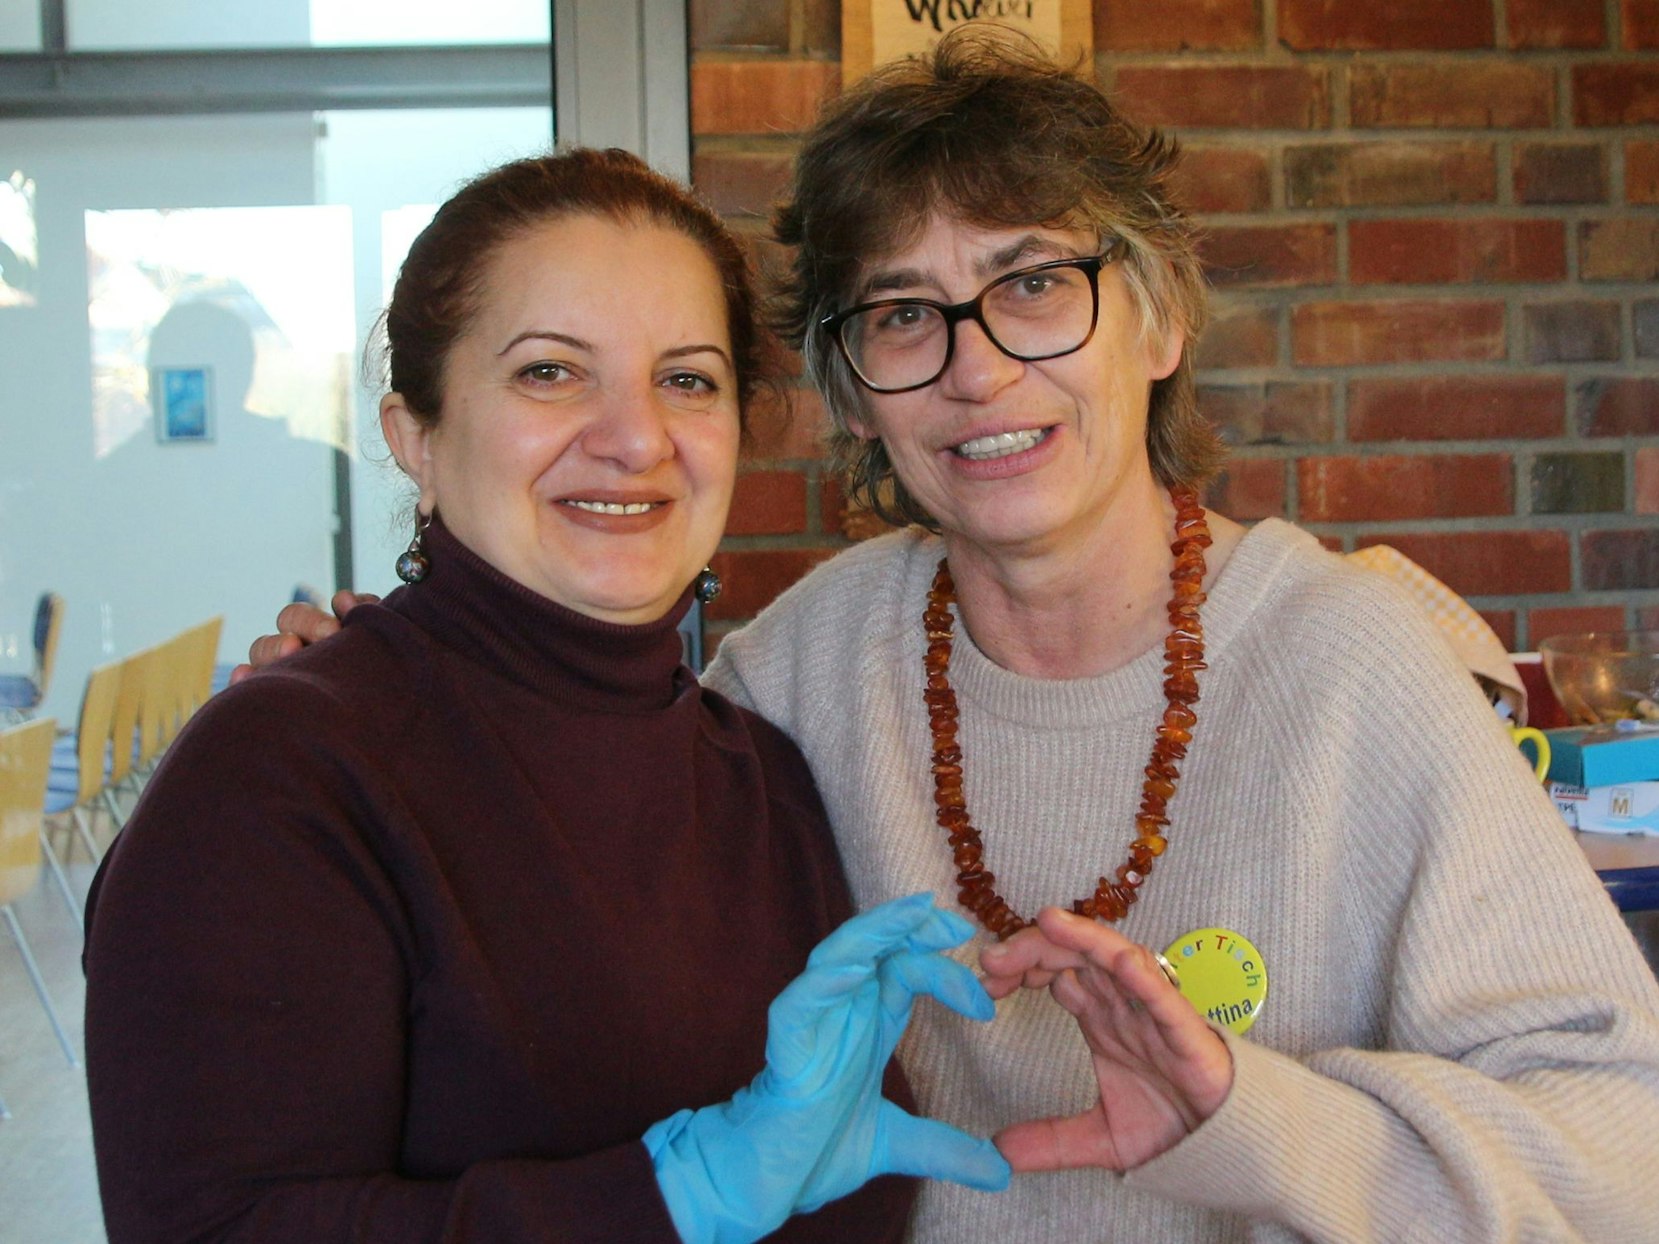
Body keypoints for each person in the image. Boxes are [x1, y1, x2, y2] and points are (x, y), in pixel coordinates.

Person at [245, 30, 1659, 1244]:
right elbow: (565, 836)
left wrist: (1251, 1116)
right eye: (903, 315)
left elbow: (1623, 1150)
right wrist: (384, 692)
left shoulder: (1358, 664)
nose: (976, 367)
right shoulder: (797, 670)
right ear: (851, 395)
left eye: (1034, 284)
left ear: (1157, 317)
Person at [81, 147, 1012, 1244]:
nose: (633, 438)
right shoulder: (280, 776)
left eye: (687, 378)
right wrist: (679, 1192)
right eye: (549, 372)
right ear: (414, 437)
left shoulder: (762, 775)